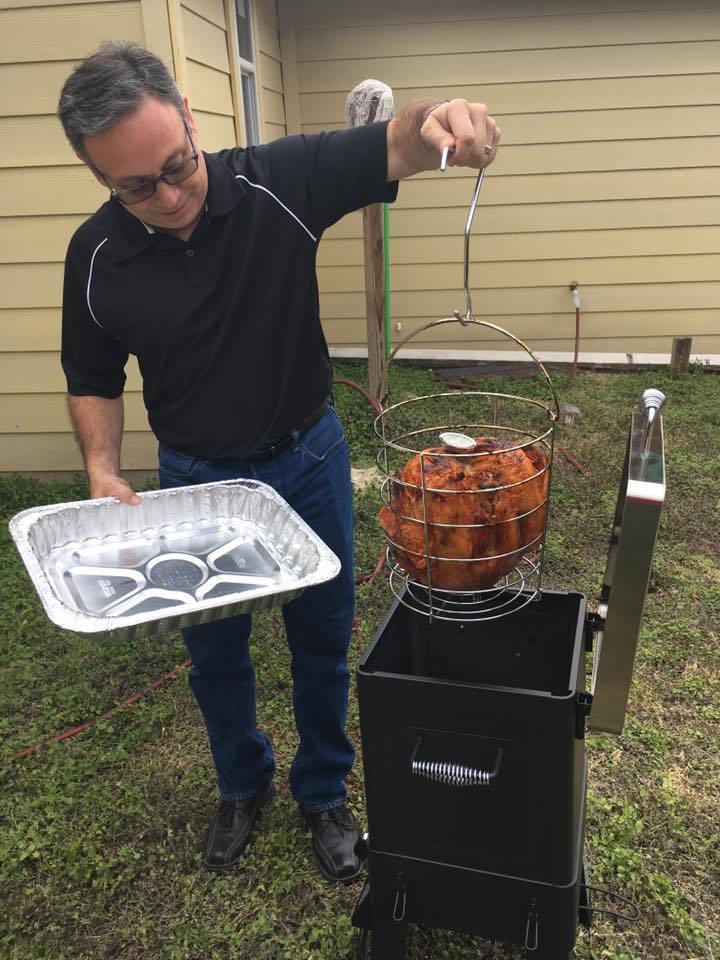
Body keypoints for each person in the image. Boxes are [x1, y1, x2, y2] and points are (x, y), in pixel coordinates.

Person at [57, 41, 500, 881]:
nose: (169, 195)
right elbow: (91, 375)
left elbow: (396, 142)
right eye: (135, 187)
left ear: (190, 119)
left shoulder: (279, 180)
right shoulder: (97, 255)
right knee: (215, 655)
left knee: (322, 641)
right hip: (195, 484)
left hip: (305, 463)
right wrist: (104, 471)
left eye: (177, 166)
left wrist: (439, 122)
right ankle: (240, 784)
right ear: (100, 177)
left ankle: (324, 792)